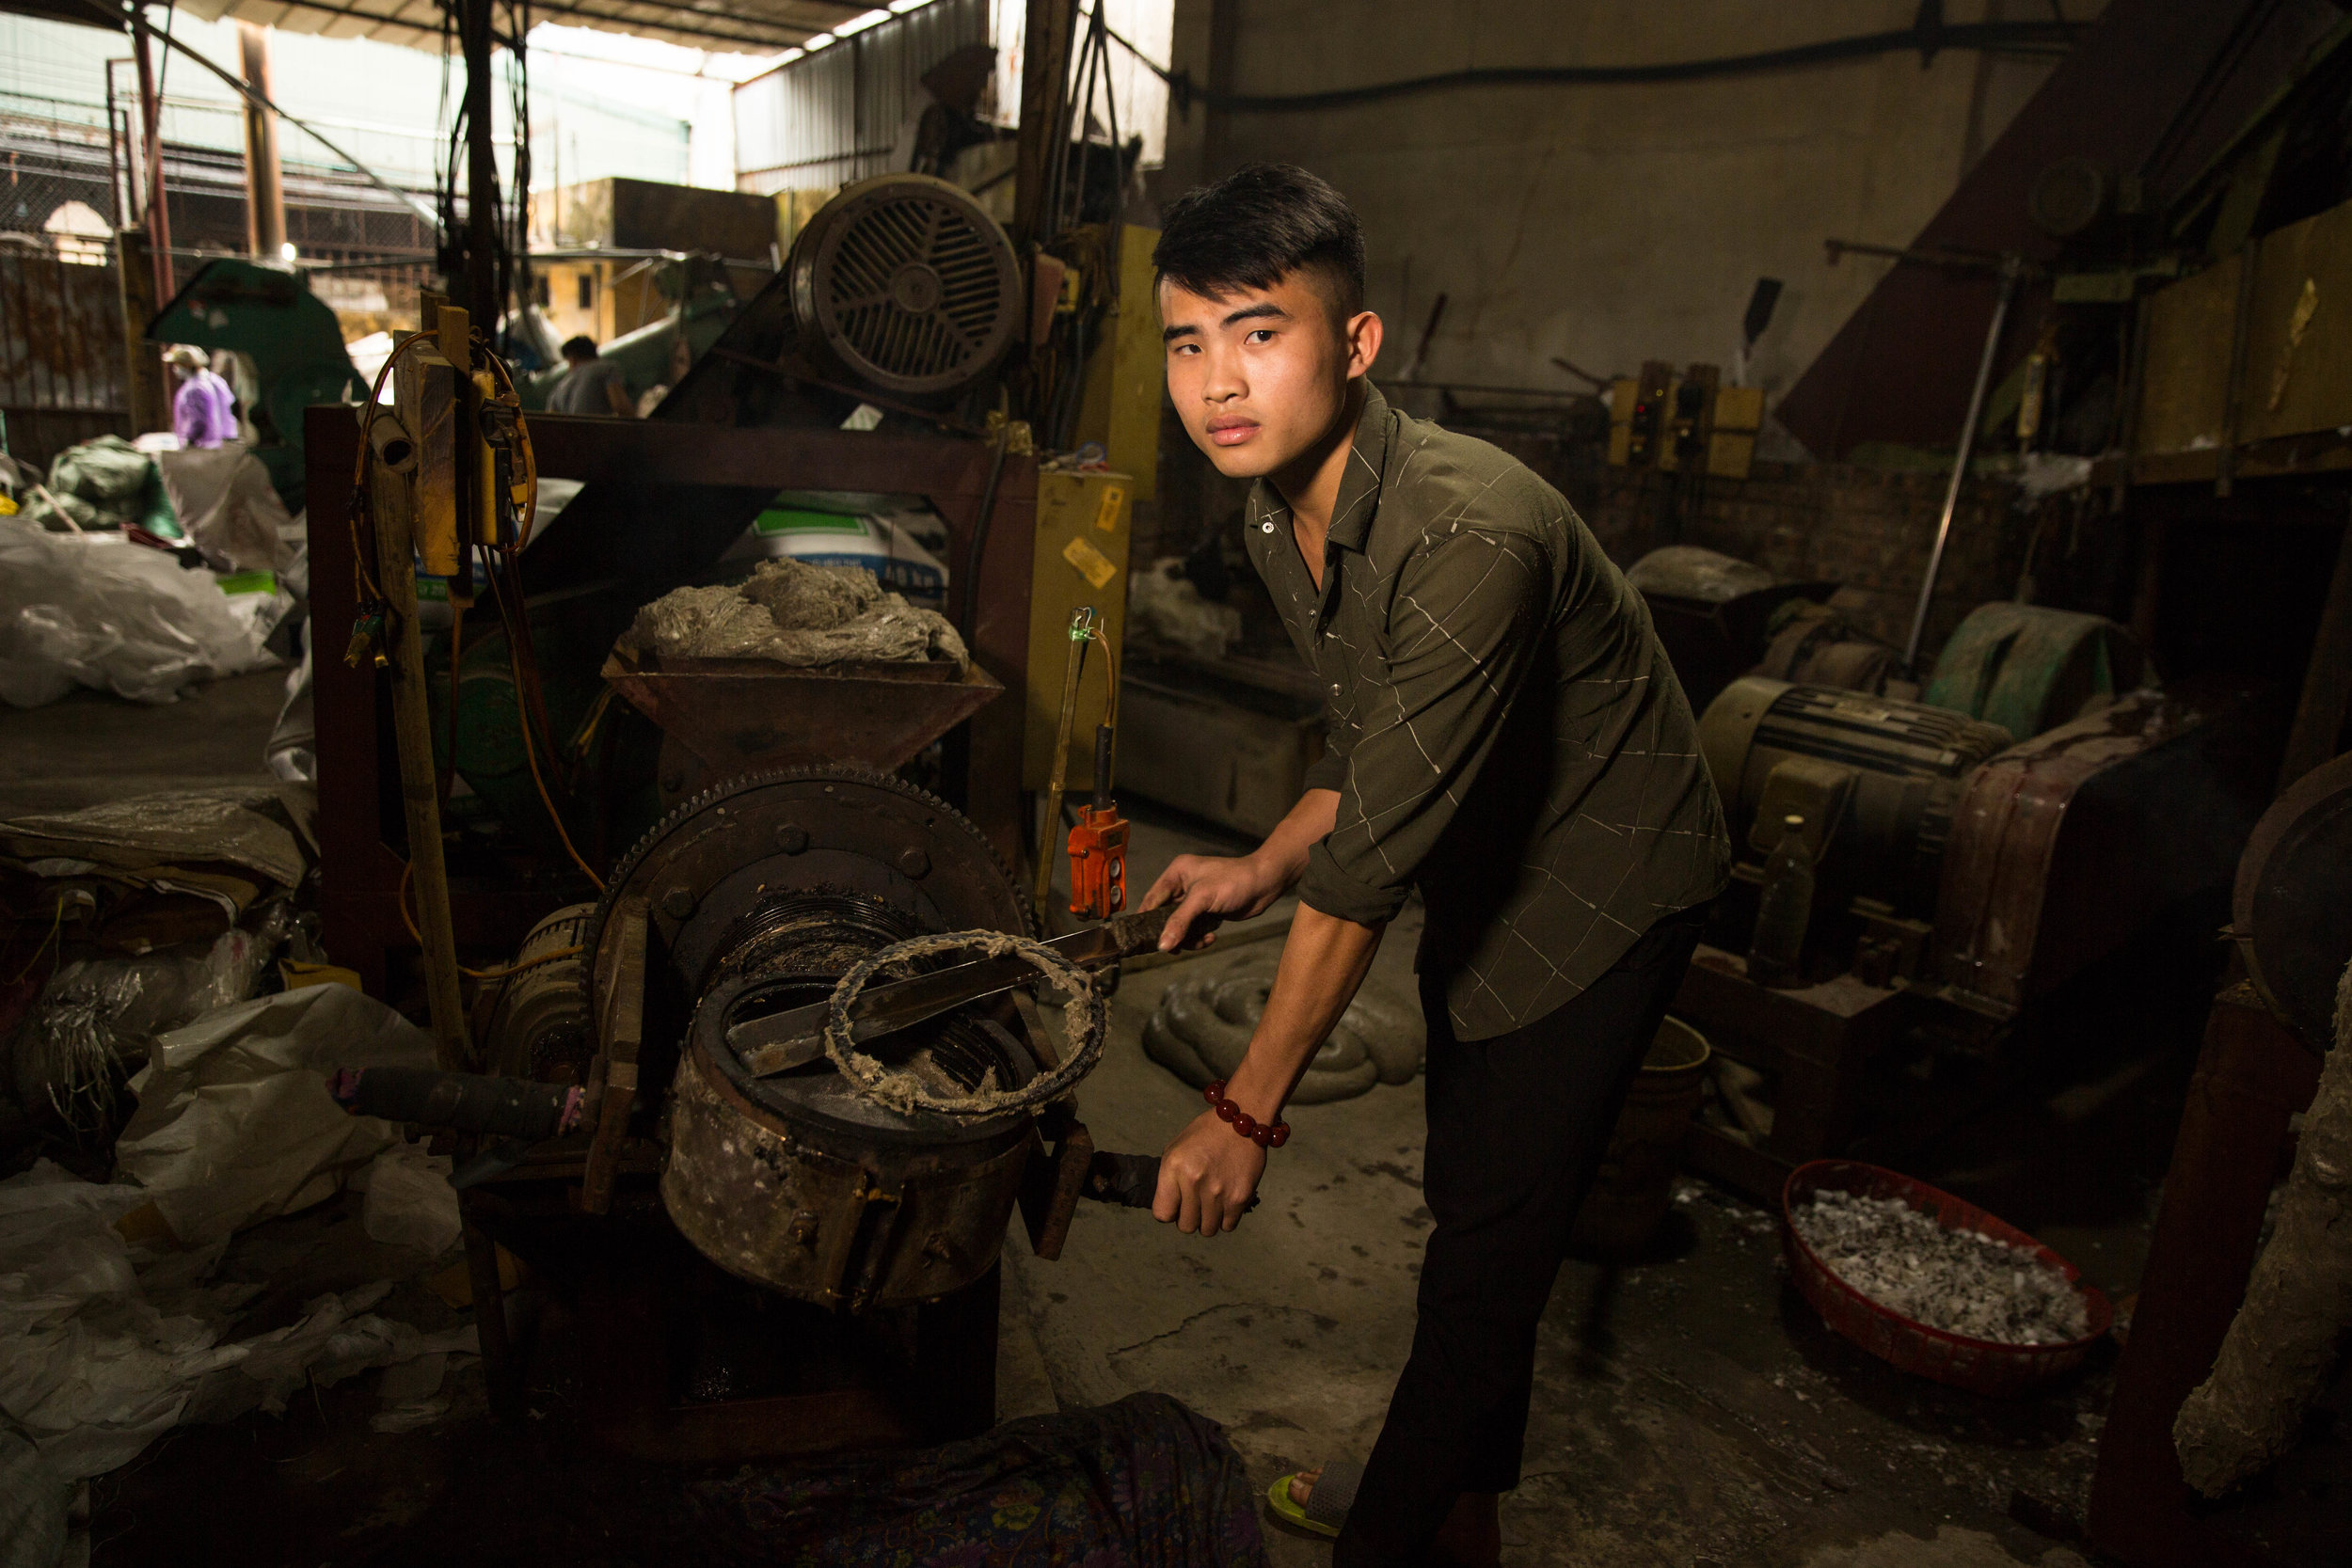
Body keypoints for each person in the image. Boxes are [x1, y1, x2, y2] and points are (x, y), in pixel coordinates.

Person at [1140, 164, 1731, 1568]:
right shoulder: (1273, 512)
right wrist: (1259, 861)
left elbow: (1374, 870)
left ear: (1356, 345)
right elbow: (1371, 744)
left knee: (1484, 1240)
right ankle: (1461, 1501)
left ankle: (1401, 1532)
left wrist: (1247, 1108)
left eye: (1259, 333)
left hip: (1604, 881)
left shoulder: (1473, 532)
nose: (1218, 381)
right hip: (1488, 841)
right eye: (1187, 341)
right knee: (1483, 1201)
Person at [165, 344, 237, 449]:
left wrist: (188, 442)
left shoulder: (195, 389)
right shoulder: (214, 380)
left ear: (187, 365)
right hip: (221, 443)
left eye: (177, 364)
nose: (175, 369)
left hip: (203, 446)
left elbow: (198, 423)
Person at [547, 336, 633, 417]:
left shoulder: (558, 388)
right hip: (595, 431)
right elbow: (621, 407)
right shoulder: (607, 369)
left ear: (572, 359)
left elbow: (550, 422)